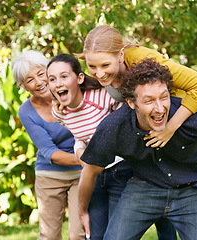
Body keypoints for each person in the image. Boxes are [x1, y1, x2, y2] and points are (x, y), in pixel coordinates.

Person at [78, 58, 197, 240]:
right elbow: (90, 170)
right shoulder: (115, 126)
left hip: (192, 187)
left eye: (164, 97)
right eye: (148, 100)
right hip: (145, 186)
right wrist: (82, 210)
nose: (159, 108)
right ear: (131, 103)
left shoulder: (195, 117)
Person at [80, 24, 197, 148]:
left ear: (120, 55)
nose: (99, 73)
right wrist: (59, 99)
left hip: (175, 115)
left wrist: (170, 127)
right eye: (92, 66)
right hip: (146, 124)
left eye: (105, 65)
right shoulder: (100, 69)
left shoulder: (143, 60)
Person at [47, 53, 133, 240]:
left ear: (79, 78)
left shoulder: (102, 97)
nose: (58, 83)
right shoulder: (60, 112)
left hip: (121, 170)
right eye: (52, 79)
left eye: (64, 76)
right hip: (93, 177)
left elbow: (127, 121)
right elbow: (81, 136)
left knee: (118, 235)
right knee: (93, 235)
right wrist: (79, 150)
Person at [11, 50, 85, 240]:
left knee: (78, 234)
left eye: (41, 73)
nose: (38, 82)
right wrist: (86, 159)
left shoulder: (72, 92)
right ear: (23, 86)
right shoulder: (26, 111)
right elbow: (49, 152)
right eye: (29, 79)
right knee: (49, 235)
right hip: (50, 175)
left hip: (81, 174)